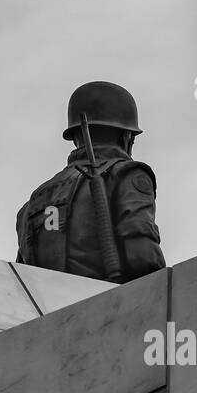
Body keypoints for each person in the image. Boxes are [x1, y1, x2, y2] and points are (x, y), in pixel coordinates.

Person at [16, 81, 165, 282]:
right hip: (111, 307)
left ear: (75, 136)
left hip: (49, 310)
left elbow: (22, 277)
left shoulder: (32, 202)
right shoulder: (127, 176)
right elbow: (143, 259)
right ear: (126, 136)